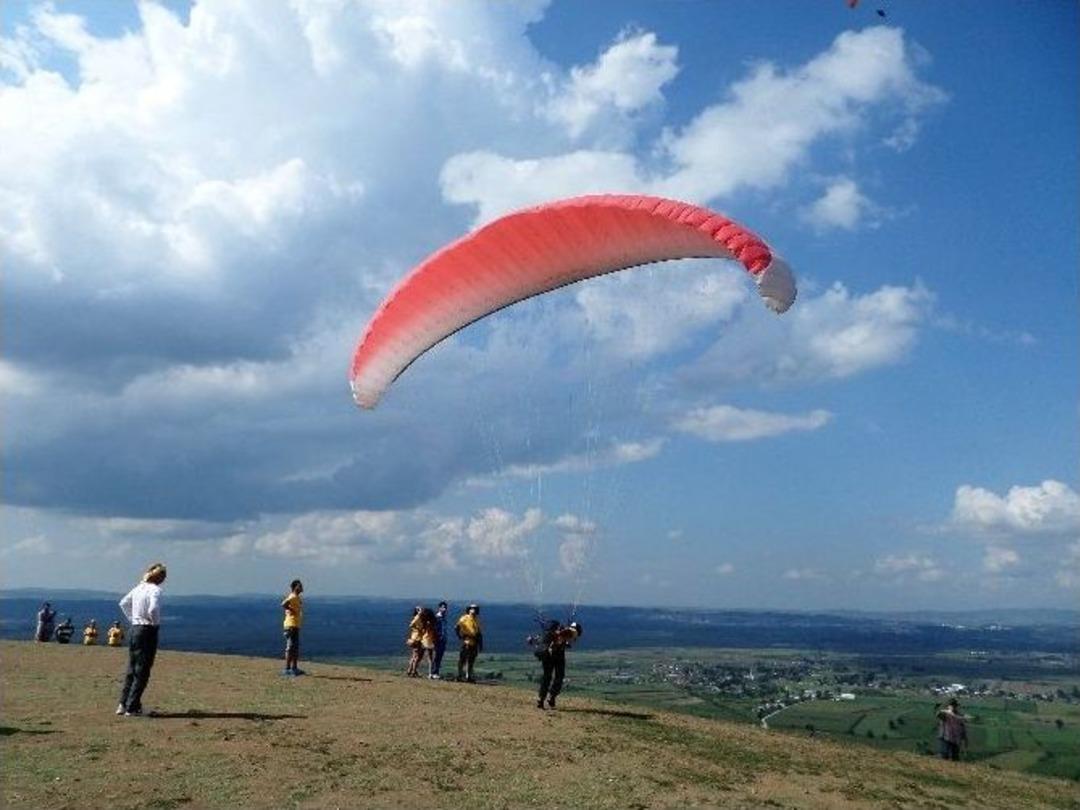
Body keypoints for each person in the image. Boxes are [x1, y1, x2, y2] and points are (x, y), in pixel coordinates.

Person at [116, 562, 166, 717]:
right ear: (160, 578)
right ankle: (132, 707)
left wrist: (133, 619)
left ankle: (123, 703)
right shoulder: (155, 590)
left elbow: (123, 603)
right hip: (147, 630)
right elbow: (153, 609)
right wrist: (154, 623)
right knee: (143, 670)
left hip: (135, 629)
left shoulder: (138, 588)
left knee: (132, 667)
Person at [528, 620, 582, 710]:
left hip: (547, 655)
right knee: (559, 676)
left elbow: (541, 641)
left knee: (546, 677)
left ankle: (541, 699)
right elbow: (562, 640)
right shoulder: (569, 631)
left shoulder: (552, 633)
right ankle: (551, 697)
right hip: (558, 655)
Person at [280, 579, 305, 677]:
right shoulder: (293, 596)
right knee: (290, 647)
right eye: (299, 586)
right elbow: (283, 604)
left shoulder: (297, 597)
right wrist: (291, 610)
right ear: (295, 587)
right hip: (291, 625)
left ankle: (294, 668)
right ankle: (287, 669)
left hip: (295, 624)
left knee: (295, 647)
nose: (301, 587)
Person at [455, 603, 483, 683]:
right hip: (466, 642)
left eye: (475, 609)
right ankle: (459, 675)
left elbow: (479, 633)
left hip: (474, 642)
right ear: (469, 610)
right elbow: (457, 627)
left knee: (471, 661)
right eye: (472, 609)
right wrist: (460, 636)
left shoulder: (477, 620)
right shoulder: (464, 618)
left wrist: (480, 644)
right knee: (462, 659)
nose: (474, 610)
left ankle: (468, 676)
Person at [430, 601, 449, 679]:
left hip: (443, 639)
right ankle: (433, 672)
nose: (444, 609)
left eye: (445, 607)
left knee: (439, 657)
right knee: (436, 656)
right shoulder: (437, 617)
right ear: (439, 608)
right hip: (438, 639)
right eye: (443, 607)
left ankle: (436, 672)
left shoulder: (444, 617)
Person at [405, 606, 424, 677]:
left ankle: (410, 670)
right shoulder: (418, 618)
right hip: (417, 638)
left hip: (414, 638)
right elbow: (412, 625)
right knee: (417, 656)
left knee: (414, 655)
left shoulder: (416, 618)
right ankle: (413, 671)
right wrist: (417, 629)